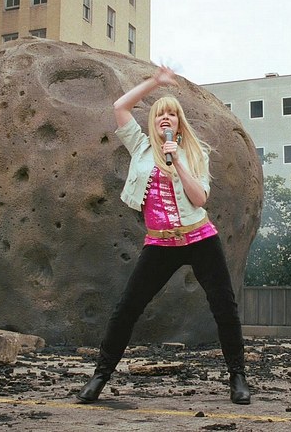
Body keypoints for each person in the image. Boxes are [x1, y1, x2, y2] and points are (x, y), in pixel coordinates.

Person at [76, 66, 251, 405]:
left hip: (199, 237)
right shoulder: (140, 148)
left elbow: (200, 199)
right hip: (160, 242)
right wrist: (154, 83)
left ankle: (238, 376)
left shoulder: (195, 153)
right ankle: (99, 377)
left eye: (171, 114)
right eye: (160, 114)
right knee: (127, 308)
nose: (165, 118)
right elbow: (120, 107)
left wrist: (178, 161)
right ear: (152, 121)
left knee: (224, 308)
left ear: (179, 122)